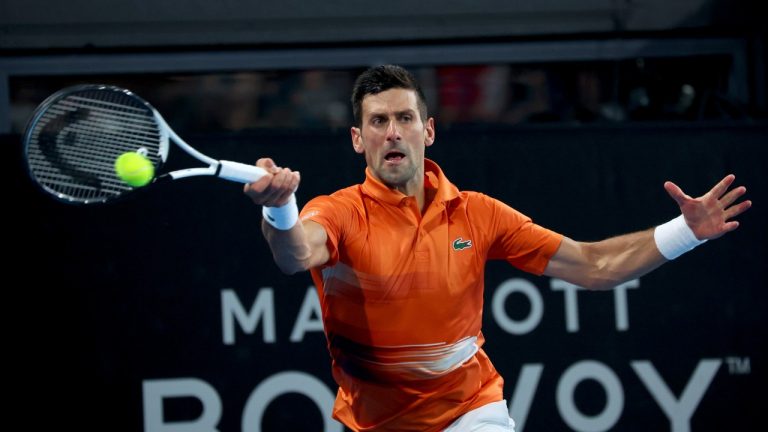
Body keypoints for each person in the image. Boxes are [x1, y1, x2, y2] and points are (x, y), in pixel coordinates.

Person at [243, 65, 751, 432]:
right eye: (378, 122)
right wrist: (279, 209)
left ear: (429, 130)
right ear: (358, 139)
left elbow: (594, 265)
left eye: (404, 118)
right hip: (374, 422)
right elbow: (294, 255)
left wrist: (685, 232)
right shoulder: (337, 212)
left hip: (472, 412)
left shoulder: (478, 214)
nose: (392, 132)